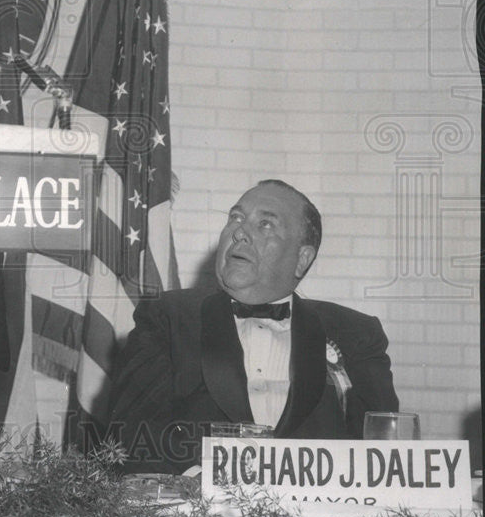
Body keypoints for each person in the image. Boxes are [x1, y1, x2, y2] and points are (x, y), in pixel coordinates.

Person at [108, 179, 399, 472]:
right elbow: (128, 437)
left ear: (302, 259)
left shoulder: (356, 333)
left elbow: (384, 453)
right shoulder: (167, 317)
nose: (240, 232)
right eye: (235, 218)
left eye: (266, 225)